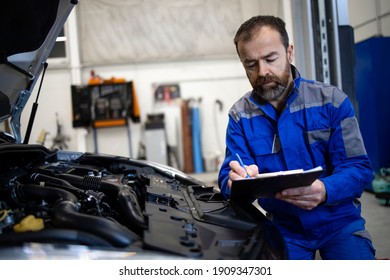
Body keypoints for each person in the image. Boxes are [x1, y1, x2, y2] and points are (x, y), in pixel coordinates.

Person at [217, 15, 376, 260]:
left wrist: (324, 190)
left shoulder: (331, 101)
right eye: (251, 64)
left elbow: (359, 168)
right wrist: (235, 181)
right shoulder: (240, 116)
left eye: (271, 59)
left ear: (289, 52)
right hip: (284, 227)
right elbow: (229, 174)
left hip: (339, 222)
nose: (263, 72)